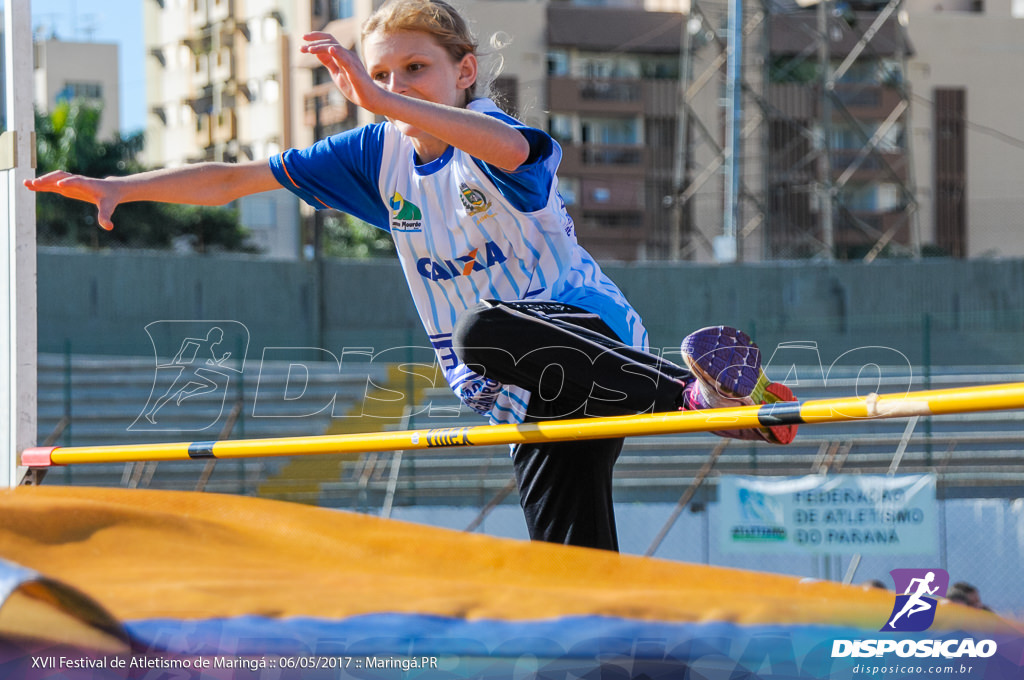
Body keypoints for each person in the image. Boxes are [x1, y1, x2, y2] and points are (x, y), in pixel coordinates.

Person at [25, 0, 797, 552]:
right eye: (385, 71)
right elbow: (231, 180)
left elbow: (511, 153)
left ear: (465, 71)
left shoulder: (497, 135)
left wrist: (378, 95)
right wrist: (123, 188)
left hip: (583, 339)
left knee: (481, 328)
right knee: (569, 556)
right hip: (521, 391)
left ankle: (694, 398)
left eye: (417, 69)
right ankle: (732, 417)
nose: (398, 85)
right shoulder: (373, 155)